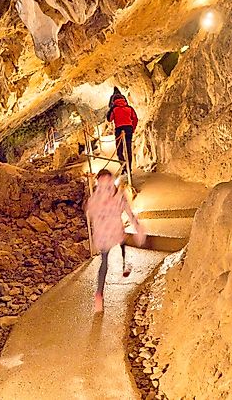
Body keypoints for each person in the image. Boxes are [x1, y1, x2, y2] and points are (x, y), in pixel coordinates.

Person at [86, 169, 146, 313]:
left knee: (104, 262)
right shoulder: (118, 197)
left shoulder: (95, 198)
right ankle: (125, 265)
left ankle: (99, 294)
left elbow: (90, 213)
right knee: (122, 244)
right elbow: (129, 214)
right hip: (115, 231)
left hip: (103, 235)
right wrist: (138, 228)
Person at [106, 91, 138, 175]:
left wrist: (111, 109)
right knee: (128, 149)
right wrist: (133, 128)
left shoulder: (114, 109)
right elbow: (135, 118)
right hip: (128, 128)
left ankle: (124, 166)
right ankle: (129, 168)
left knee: (119, 150)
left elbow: (109, 119)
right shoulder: (129, 108)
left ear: (114, 101)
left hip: (119, 129)